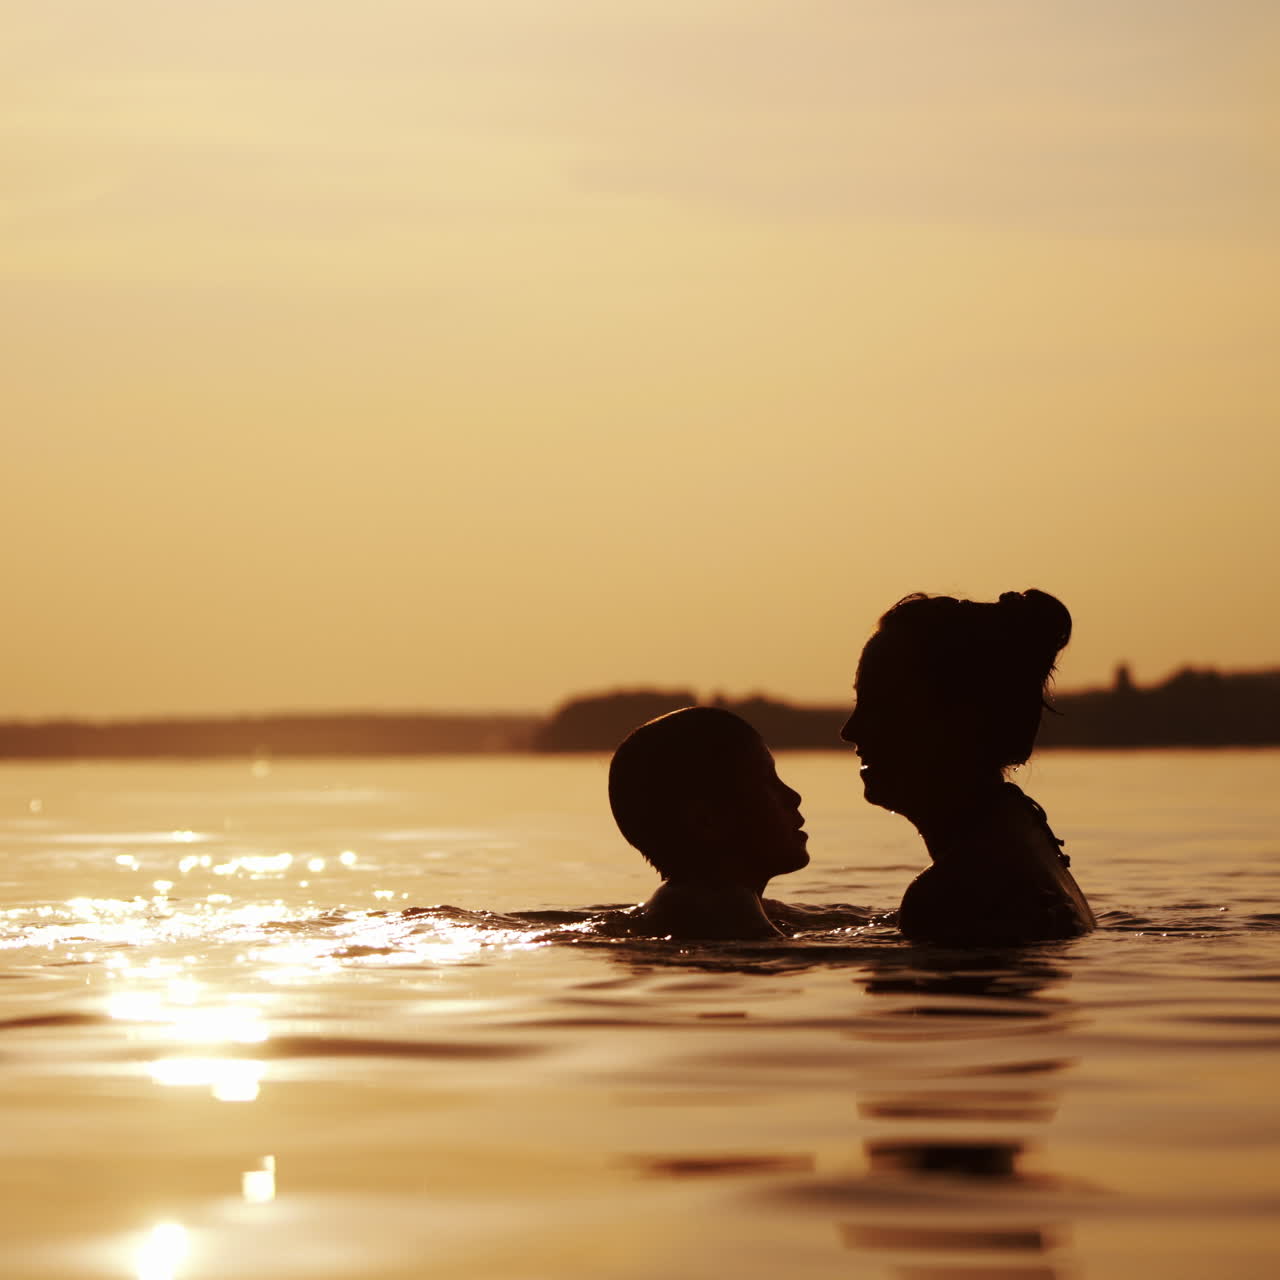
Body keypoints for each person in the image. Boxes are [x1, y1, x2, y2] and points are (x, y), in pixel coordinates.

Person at [841, 589, 1095, 945]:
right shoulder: (1018, 831)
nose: (850, 731)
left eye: (881, 706)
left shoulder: (952, 895)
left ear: (961, 720)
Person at [608, 706, 810, 940]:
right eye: (767, 781)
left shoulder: (692, 900)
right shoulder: (723, 906)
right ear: (706, 821)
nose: (793, 796)